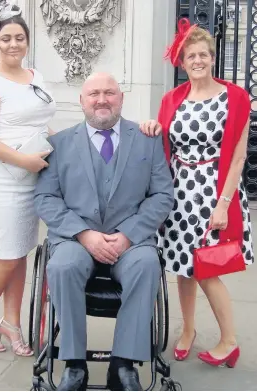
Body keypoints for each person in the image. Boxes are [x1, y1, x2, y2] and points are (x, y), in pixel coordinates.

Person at [34, 72, 174, 390]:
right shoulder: (59, 144)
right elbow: (45, 198)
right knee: (62, 265)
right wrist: (84, 234)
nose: (102, 99)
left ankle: (123, 364)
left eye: (109, 93)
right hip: (76, 238)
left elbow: (162, 195)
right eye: (94, 93)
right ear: (81, 101)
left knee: (147, 264)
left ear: (121, 99)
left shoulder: (147, 140)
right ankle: (74, 363)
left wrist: (128, 235)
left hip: (131, 240)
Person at [140, 18, 254, 368]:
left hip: (213, 193)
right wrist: (150, 127)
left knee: (207, 270)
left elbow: (238, 157)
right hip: (179, 193)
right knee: (184, 269)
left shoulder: (235, 97)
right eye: (192, 56)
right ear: (182, 60)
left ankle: (229, 341)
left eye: (204, 54)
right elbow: (163, 143)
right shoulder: (172, 98)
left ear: (212, 57)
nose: (199, 61)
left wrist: (223, 204)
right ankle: (187, 330)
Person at [0, 1, 56, 355]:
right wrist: (25, 160)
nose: (14, 44)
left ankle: (12, 322)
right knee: (4, 257)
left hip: (29, 177)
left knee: (20, 252)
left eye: (20, 37)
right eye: (6, 38)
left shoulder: (36, 77)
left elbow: (40, 123)